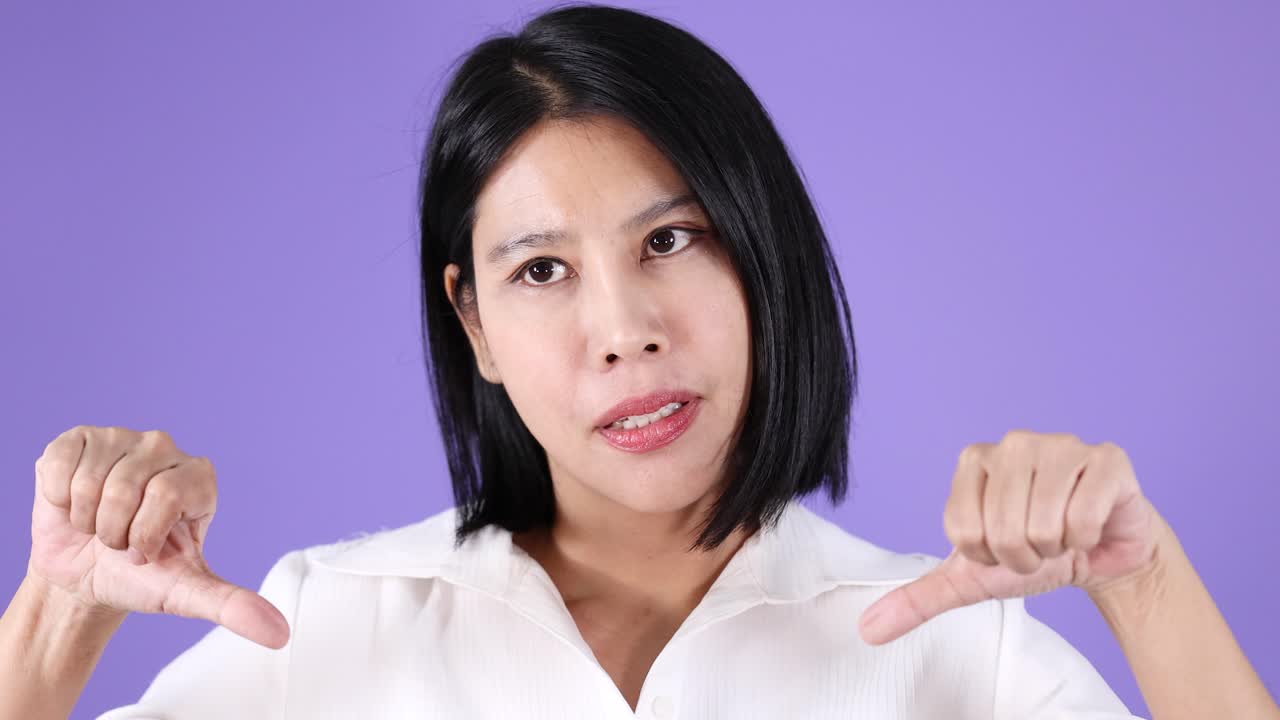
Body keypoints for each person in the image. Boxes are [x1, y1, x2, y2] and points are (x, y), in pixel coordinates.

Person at [2, 4, 1275, 719]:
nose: (622, 328)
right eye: (540, 270)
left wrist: (1143, 580)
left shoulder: (959, 660)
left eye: (670, 238)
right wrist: (57, 614)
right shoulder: (327, 627)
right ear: (473, 326)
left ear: (761, 257)